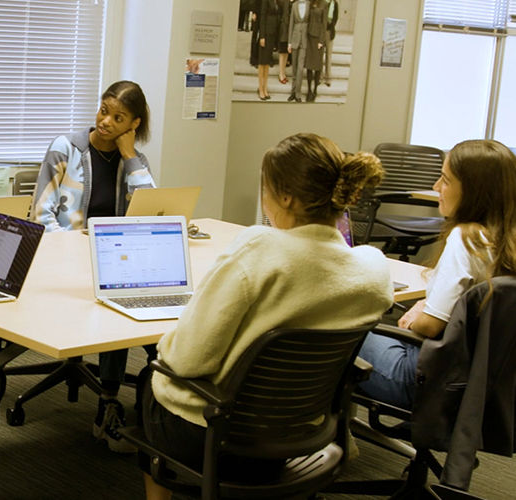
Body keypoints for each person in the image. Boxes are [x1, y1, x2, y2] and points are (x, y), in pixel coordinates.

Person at [137, 133, 394, 500]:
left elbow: (189, 360)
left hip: (218, 434)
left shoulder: (260, 249)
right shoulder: (372, 269)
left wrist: (164, 348)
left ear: (285, 197)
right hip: (300, 433)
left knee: (152, 376)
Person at [30, 80, 155, 453]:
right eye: (104, 111)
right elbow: (40, 215)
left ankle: (124, 397)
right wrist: (76, 246)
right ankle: (111, 400)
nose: (105, 122)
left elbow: (150, 211)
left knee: (131, 298)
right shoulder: (66, 148)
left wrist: (130, 156)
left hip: (114, 260)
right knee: (116, 298)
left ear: (133, 125)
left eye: (119, 118)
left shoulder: (135, 162)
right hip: (64, 257)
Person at [358, 139, 516, 410]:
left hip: (418, 377)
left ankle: (324, 436)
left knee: (331, 332)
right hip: (475, 383)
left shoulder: (465, 239)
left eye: (445, 180)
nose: (435, 188)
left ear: (472, 190)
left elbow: (431, 326)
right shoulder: (505, 241)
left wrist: (413, 320)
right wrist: (424, 304)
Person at [257, 0, 280, 100]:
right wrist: (262, 36)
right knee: (262, 62)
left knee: (267, 62)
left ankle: (265, 87)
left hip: (272, 34)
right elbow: (262, 16)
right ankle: (260, 88)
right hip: (265, 34)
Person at [305, 0, 327, 102]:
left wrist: (321, 40)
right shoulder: (311, 3)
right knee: (309, 65)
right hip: (310, 37)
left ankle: (315, 90)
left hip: (318, 39)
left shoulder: (324, 4)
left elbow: (324, 24)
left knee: (317, 66)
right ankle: (309, 90)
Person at [287, 0, 310, 102]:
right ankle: (293, 92)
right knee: (294, 68)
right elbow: (291, 24)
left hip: (304, 40)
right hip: (295, 39)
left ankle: (298, 93)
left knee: (300, 68)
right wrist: (289, 42)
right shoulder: (294, 5)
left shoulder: (309, 4)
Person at [323, 0, 340, 87]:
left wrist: (330, 25)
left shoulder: (335, 4)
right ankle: (319, 77)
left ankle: (328, 77)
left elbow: (335, 17)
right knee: (319, 55)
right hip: (322, 31)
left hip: (329, 31)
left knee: (328, 55)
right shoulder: (323, 2)